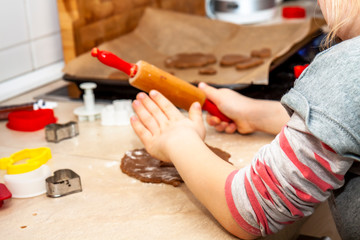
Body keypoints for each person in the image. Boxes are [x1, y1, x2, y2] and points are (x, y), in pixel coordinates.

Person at [129, 0, 360, 239]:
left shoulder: (348, 66)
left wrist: (177, 140)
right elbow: (345, 120)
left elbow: (253, 207)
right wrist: (254, 114)